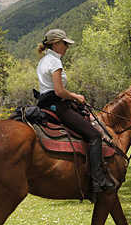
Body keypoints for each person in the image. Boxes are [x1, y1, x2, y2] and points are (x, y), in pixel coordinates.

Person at [36, 29, 115, 192]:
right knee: (94, 136)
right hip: (57, 105)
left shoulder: (44, 60)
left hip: (46, 103)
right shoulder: (55, 62)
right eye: (65, 43)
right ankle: (98, 179)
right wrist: (76, 96)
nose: (67, 47)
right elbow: (59, 91)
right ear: (56, 43)